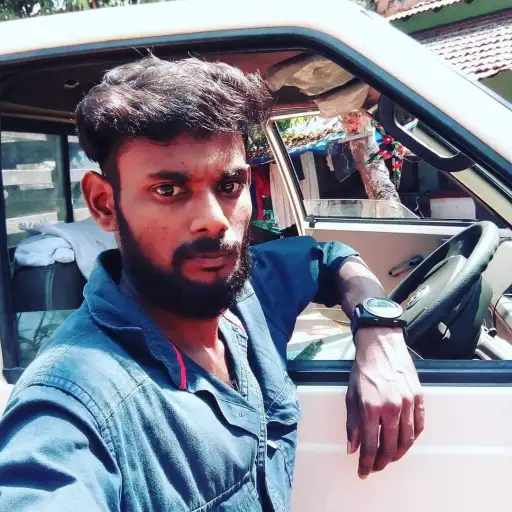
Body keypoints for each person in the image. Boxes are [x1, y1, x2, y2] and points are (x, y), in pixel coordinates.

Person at [0, 56, 424, 511]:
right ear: (105, 204)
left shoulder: (245, 296)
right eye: (169, 190)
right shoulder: (73, 404)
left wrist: (380, 331)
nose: (214, 220)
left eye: (229, 185)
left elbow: (329, 258)